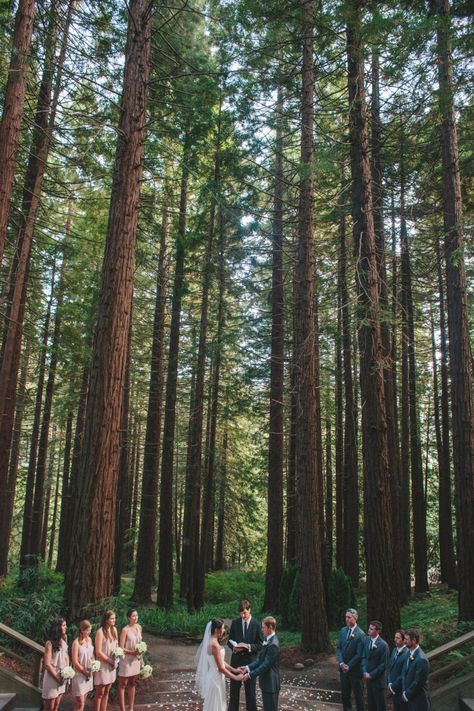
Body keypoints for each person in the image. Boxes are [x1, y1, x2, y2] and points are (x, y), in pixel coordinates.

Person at [195, 618, 242, 711]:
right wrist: (235, 677)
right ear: (217, 630)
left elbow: (219, 661)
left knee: (215, 704)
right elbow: (221, 668)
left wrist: (234, 669)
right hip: (215, 679)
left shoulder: (213, 641)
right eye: (223, 628)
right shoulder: (214, 645)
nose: (224, 630)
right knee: (215, 705)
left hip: (215, 677)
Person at [227, 599, 263, 711]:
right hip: (236, 662)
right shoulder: (235, 623)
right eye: (241, 613)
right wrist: (234, 647)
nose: (243, 615)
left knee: (251, 693)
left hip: (251, 663)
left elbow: (261, 644)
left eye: (245, 613)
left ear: (249, 610)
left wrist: (249, 647)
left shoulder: (257, 625)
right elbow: (229, 640)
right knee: (234, 692)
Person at [241, 616, 280, 711]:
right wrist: (247, 668)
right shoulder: (267, 639)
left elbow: (265, 665)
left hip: (271, 684)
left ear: (270, 627)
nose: (262, 630)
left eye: (263, 627)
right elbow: (259, 660)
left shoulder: (273, 644)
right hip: (266, 682)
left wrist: (250, 675)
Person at [336, 608, 365, 711]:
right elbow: (339, 648)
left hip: (355, 671)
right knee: (345, 696)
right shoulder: (343, 631)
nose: (347, 619)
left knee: (358, 697)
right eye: (346, 617)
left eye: (349, 617)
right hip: (343, 670)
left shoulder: (361, 634)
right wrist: (341, 663)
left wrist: (348, 666)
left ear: (355, 618)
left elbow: (359, 654)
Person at [399, 629, 432, 710]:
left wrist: (407, 694)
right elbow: (404, 672)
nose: (404, 641)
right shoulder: (408, 653)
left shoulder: (421, 659)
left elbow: (418, 682)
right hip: (409, 697)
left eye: (407, 639)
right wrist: (404, 691)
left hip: (419, 700)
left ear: (413, 640)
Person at [41, 616, 69, 711]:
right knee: (50, 707)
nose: (66, 627)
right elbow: (47, 664)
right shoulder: (49, 643)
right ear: (58, 627)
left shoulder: (64, 639)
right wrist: (57, 678)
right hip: (52, 676)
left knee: (56, 705)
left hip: (62, 676)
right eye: (64, 625)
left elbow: (66, 656)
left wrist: (67, 672)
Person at [118, 608, 142, 711]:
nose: (135, 617)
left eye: (136, 615)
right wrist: (132, 652)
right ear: (128, 618)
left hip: (136, 659)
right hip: (126, 660)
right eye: (133, 616)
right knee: (123, 684)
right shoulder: (125, 630)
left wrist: (141, 658)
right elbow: (121, 647)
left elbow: (141, 644)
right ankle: (122, 709)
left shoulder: (139, 627)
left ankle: (131, 708)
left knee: (132, 683)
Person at [93, 610, 118, 711]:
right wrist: (110, 661)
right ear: (106, 620)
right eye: (112, 618)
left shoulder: (114, 630)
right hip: (103, 666)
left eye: (114, 618)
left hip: (112, 665)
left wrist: (117, 658)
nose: (114, 620)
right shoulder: (100, 632)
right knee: (100, 693)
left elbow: (117, 647)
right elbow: (98, 652)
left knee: (107, 691)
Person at [362, 620, 389, 711]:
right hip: (368, 680)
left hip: (378, 681)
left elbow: (383, 664)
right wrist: (365, 671)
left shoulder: (383, 645)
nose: (368, 630)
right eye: (369, 628)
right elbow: (364, 657)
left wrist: (371, 674)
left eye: (371, 629)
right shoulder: (367, 640)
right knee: (371, 706)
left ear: (377, 631)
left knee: (380, 706)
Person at [71, 619, 94, 711]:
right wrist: (85, 672)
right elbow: (75, 662)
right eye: (87, 630)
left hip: (89, 673)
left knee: (84, 699)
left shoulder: (90, 640)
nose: (89, 632)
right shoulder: (76, 643)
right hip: (79, 675)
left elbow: (92, 655)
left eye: (90, 630)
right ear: (82, 630)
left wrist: (94, 664)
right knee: (79, 701)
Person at [387, 629, 408, 711]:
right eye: (395, 637)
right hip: (393, 688)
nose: (395, 639)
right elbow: (390, 667)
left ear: (403, 640)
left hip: (401, 688)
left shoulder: (407, 653)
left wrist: (393, 686)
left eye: (398, 638)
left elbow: (403, 673)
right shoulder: (394, 650)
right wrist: (389, 682)